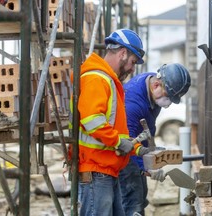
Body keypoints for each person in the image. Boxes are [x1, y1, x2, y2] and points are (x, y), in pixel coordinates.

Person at [69, 29, 150, 216]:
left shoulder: (107, 81)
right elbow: (92, 121)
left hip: (105, 170)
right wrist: (118, 142)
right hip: (97, 170)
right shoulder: (97, 79)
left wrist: (136, 147)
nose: (132, 69)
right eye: (132, 62)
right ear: (122, 53)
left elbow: (114, 131)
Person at [119, 63, 191, 216]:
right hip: (125, 154)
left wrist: (151, 152)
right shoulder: (133, 104)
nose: (168, 103)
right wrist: (147, 167)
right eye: (168, 96)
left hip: (139, 147)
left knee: (141, 194)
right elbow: (129, 143)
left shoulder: (153, 85)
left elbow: (147, 129)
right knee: (133, 199)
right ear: (156, 85)